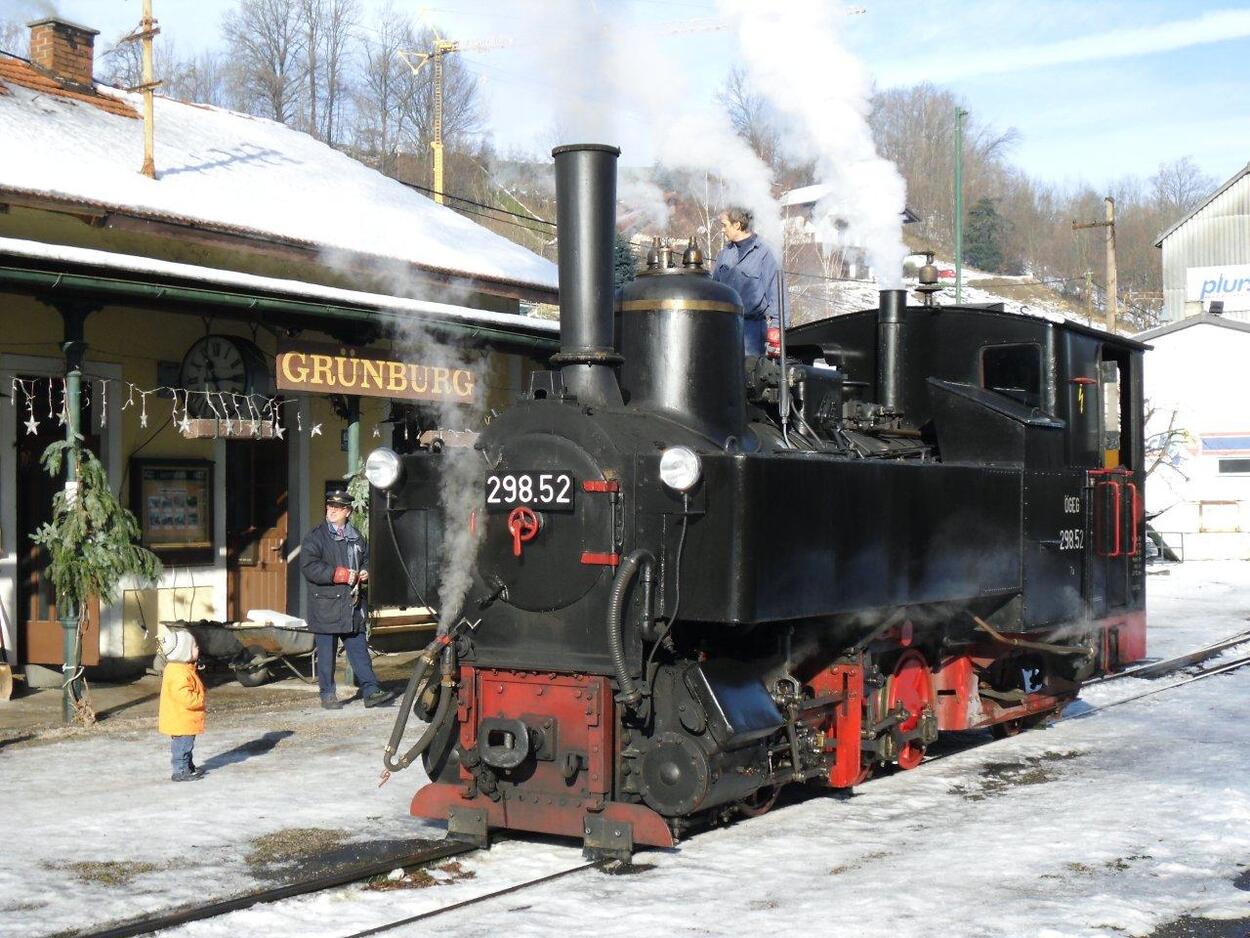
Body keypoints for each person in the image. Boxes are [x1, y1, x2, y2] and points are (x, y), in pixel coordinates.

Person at [301, 489, 395, 710]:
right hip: (326, 604)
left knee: (359, 650)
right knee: (326, 654)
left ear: (348, 511)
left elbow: (366, 559)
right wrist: (338, 574)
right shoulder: (316, 536)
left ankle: (371, 691)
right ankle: (328, 694)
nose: (332, 511)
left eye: (338, 508)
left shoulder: (356, 536)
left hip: (351, 604)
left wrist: (365, 571)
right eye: (330, 506)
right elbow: (309, 566)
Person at [711, 206, 787, 357]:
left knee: (749, 373)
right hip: (725, 326)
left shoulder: (765, 253)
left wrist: (777, 328)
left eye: (725, 225)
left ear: (737, 225)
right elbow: (715, 289)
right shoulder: (724, 254)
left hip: (752, 328)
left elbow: (777, 292)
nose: (723, 230)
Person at [158, 627, 206, 782]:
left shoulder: (182, 668)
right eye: (194, 646)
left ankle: (188, 767)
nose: (197, 648)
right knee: (182, 747)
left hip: (182, 718)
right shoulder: (179, 673)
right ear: (183, 652)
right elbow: (184, 696)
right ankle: (180, 771)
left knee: (187, 746)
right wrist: (199, 699)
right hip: (181, 718)